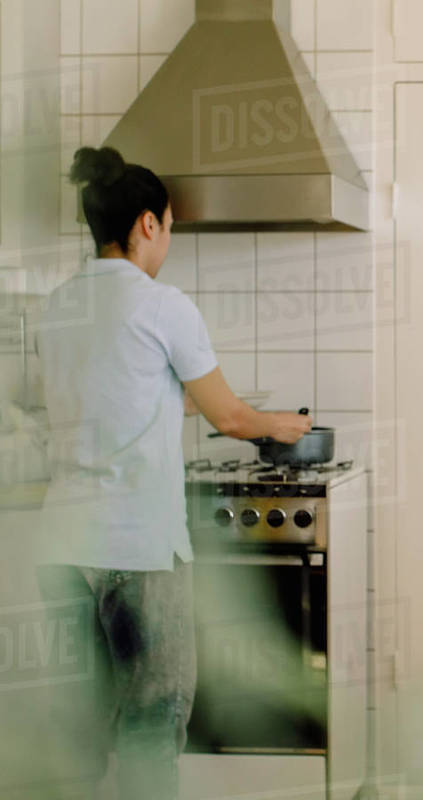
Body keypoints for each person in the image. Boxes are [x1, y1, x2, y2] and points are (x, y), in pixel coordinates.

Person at [34, 147, 311, 800]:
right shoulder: (162, 305)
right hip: (137, 550)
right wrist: (278, 424)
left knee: (79, 729)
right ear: (147, 226)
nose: (167, 243)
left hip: (62, 548)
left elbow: (113, 393)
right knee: (152, 724)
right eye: (168, 226)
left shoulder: (57, 305)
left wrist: (201, 403)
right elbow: (234, 420)